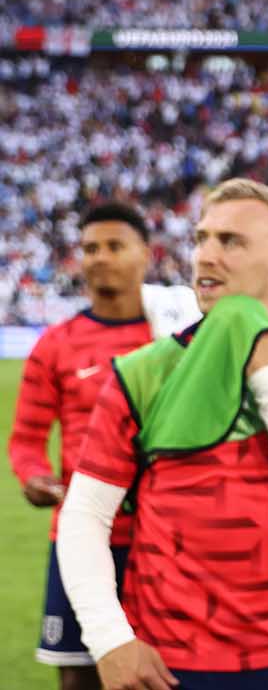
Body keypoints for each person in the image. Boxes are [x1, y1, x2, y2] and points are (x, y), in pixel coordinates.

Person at [57, 179, 268, 690]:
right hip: (168, 662)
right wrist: (108, 637)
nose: (206, 255)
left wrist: (267, 375)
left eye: (231, 242)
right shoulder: (142, 372)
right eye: (202, 238)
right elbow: (86, 513)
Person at [9, 203, 196, 690]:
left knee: (169, 674)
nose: (100, 257)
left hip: (163, 538)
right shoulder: (56, 343)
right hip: (81, 535)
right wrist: (33, 477)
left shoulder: (176, 339)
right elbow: (27, 438)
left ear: (146, 254)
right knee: (79, 678)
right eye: (90, 248)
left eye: (115, 246)